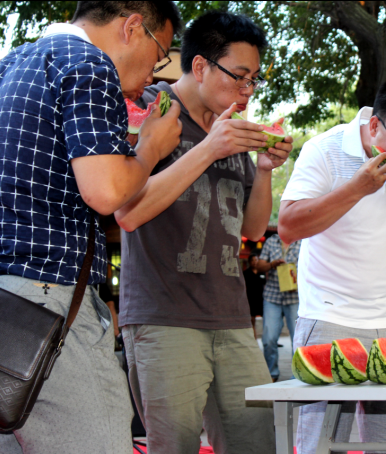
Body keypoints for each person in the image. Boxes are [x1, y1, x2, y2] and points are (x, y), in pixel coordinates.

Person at [0, 2, 182, 453]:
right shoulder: (89, 63)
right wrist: (149, 149)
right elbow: (106, 192)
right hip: (48, 307)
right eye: (159, 54)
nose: (154, 73)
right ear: (133, 28)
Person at [116, 11, 292, 454]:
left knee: (258, 443)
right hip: (163, 318)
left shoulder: (229, 125)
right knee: (173, 446)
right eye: (240, 77)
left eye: (253, 81)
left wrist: (266, 170)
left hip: (231, 317)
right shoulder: (150, 107)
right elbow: (127, 211)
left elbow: (251, 228)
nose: (247, 92)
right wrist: (211, 148)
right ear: (199, 67)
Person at [278, 76, 386, 454]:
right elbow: (289, 225)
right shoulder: (325, 150)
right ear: (375, 124)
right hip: (327, 316)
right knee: (320, 446)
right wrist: (358, 187)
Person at [256, 234, 301, 381]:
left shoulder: (303, 242)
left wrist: (298, 281)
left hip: (295, 297)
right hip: (272, 296)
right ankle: (271, 373)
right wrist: (272, 264)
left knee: (298, 338)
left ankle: (298, 375)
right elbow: (259, 266)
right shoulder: (271, 241)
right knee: (269, 338)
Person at [243, 253, 266, 338]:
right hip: (250, 299)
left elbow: (265, 285)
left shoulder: (262, 272)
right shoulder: (246, 273)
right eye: (252, 260)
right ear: (249, 262)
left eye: (256, 260)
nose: (254, 262)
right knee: (252, 320)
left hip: (261, 299)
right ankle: (254, 338)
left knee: (266, 319)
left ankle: (267, 337)